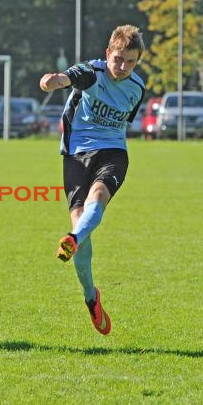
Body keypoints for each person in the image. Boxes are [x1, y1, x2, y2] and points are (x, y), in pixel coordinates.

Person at [39, 25, 145, 335]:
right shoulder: (92, 72)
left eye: (130, 62)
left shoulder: (136, 88)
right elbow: (67, 78)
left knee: (97, 199)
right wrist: (52, 81)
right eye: (118, 59)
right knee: (82, 228)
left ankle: (71, 239)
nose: (122, 67)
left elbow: (126, 121)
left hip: (113, 152)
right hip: (75, 155)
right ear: (107, 54)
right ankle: (91, 297)